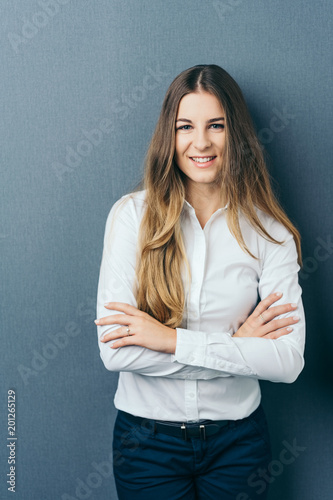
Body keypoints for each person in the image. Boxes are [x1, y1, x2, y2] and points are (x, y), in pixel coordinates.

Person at [95, 64, 305, 500]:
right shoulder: (131, 217)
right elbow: (116, 352)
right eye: (185, 126)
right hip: (145, 445)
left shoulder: (271, 233)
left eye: (217, 126)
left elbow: (287, 362)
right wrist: (239, 346)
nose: (201, 142)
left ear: (237, 134)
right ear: (168, 136)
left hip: (238, 446)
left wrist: (168, 340)